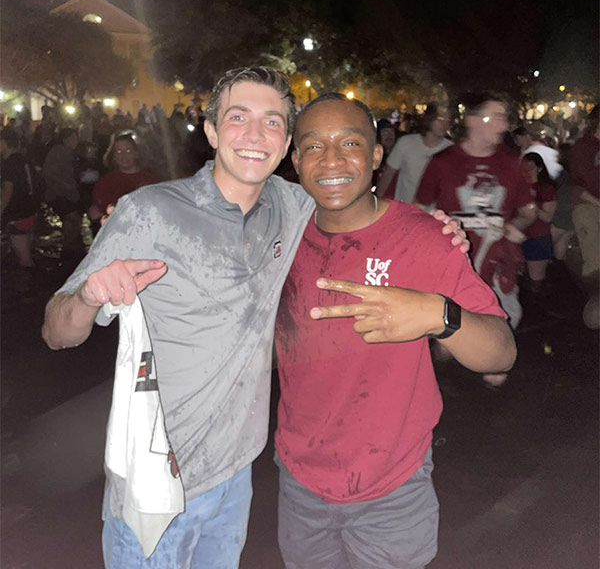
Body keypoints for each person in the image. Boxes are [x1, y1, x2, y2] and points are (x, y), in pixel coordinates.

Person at [41, 67, 466, 568]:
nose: (253, 134)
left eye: (271, 122)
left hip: (235, 478)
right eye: (238, 118)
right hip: (156, 483)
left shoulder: (292, 204)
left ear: (287, 142)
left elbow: (352, 198)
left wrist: (435, 226)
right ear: (213, 132)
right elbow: (57, 332)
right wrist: (89, 296)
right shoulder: (148, 211)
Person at [274, 93, 516, 569]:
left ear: (377, 154)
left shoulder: (422, 238)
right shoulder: (276, 234)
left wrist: (437, 314)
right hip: (298, 482)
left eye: (350, 142)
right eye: (314, 146)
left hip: (392, 486)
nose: (333, 160)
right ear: (295, 159)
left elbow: (501, 355)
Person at [416, 92, 535, 332]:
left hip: (498, 264)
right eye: (497, 117)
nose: (504, 125)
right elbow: (420, 210)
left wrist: (516, 226)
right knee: (448, 339)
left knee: (501, 329)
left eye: (504, 118)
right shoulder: (442, 162)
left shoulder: (514, 162)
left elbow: (528, 211)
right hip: (454, 265)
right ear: (472, 120)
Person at [376, 104, 452, 203]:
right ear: (429, 120)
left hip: (435, 214)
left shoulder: (451, 149)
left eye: (447, 121)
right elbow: (388, 175)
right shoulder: (406, 143)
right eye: (440, 119)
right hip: (405, 210)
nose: (444, 124)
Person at [1, 129, 43, 291]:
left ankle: (30, 293)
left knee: (24, 259)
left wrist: (0, 211)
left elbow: (7, 191)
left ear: (4, 143)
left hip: (17, 213)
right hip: (31, 210)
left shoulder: (9, 163)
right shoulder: (25, 159)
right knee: (27, 249)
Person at [569, 105, 599, 329]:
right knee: (586, 219)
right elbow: (578, 186)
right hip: (589, 205)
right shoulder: (583, 148)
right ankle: (596, 288)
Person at [89, 133, 159, 223]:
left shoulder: (150, 178)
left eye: (128, 151)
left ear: (136, 153)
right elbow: (98, 212)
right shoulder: (106, 182)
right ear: (114, 156)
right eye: (119, 151)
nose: (124, 156)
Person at [42, 127, 84, 262]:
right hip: (61, 194)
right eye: (72, 138)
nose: (75, 141)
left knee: (68, 221)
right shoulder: (61, 152)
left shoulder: (68, 152)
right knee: (74, 219)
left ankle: (69, 248)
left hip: (64, 193)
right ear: (66, 140)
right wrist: (65, 186)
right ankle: (71, 246)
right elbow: (51, 173)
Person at [521, 152, 557, 292]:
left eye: (531, 167)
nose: (527, 170)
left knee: (536, 280)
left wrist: (532, 206)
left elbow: (548, 217)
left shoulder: (545, 188)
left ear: (539, 168)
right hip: (519, 237)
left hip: (537, 238)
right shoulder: (519, 188)